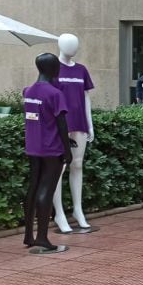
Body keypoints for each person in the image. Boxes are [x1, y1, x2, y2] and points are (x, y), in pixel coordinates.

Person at [22, 53, 73, 253]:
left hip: (33, 147)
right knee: (46, 189)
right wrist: (67, 151)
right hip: (51, 148)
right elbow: (61, 124)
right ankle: (42, 237)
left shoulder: (28, 91)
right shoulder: (54, 94)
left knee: (33, 188)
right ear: (54, 69)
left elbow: (39, 118)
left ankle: (28, 235)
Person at [51, 33, 96, 234]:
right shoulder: (53, 69)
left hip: (79, 123)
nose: (73, 48)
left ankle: (78, 210)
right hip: (60, 124)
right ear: (60, 45)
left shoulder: (81, 70)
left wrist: (90, 124)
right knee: (59, 169)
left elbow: (86, 98)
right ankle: (59, 213)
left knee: (77, 165)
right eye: (69, 44)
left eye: (75, 45)